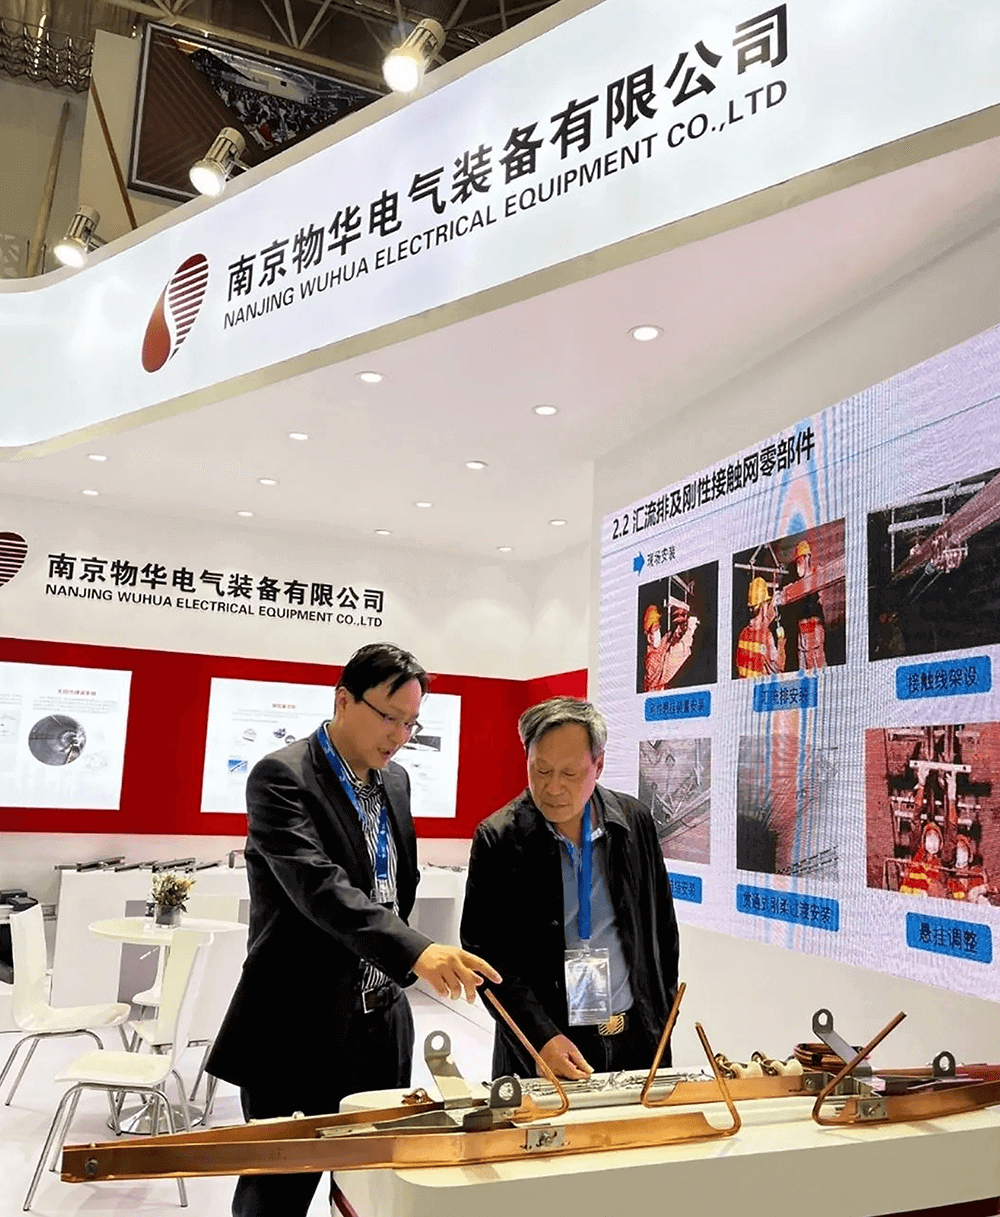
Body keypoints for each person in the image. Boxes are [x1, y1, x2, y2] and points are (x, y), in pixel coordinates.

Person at [207, 642, 500, 1217]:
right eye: (389, 717)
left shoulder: (396, 782)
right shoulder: (281, 777)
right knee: (278, 1191)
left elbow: (397, 883)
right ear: (343, 700)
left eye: (411, 723)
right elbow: (320, 889)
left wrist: (400, 969)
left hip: (380, 1021)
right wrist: (416, 951)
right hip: (299, 1024)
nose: (400, 736)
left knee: (367, 1188)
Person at [461, 696, 679, 1081]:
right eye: (541, 770)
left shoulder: (633, 823)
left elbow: (662, 927)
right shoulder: (500, 839)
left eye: (569, 773)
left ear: (599, 765)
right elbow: (486, 954)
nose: (553, 787)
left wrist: (659, 1017)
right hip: (549, 1046)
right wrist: (539, 1038)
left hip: (636, 1038)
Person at [780, 540, 826, 671]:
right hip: (802, 633)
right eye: (797, 561)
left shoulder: (816, 573)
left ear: (807, 558)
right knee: (803, 668)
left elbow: (819, 593)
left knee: (817, 666)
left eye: (800, 560)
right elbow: (787, 593)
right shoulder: (797, 584)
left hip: (814, 631)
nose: (798, 564)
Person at [642, 602, 699, 691]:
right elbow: (675, 655)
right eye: (653, 631)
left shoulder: (657, 646)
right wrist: (690, 630)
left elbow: (670, 640)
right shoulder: (651, 659)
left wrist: (681, 628)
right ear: (648, 635)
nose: (656, 632)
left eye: (657, 627)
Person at [736, 576, 785, 678]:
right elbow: (778, 667)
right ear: (763, 606)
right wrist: (781, 642)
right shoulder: (766, 636)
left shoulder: (743, 633)